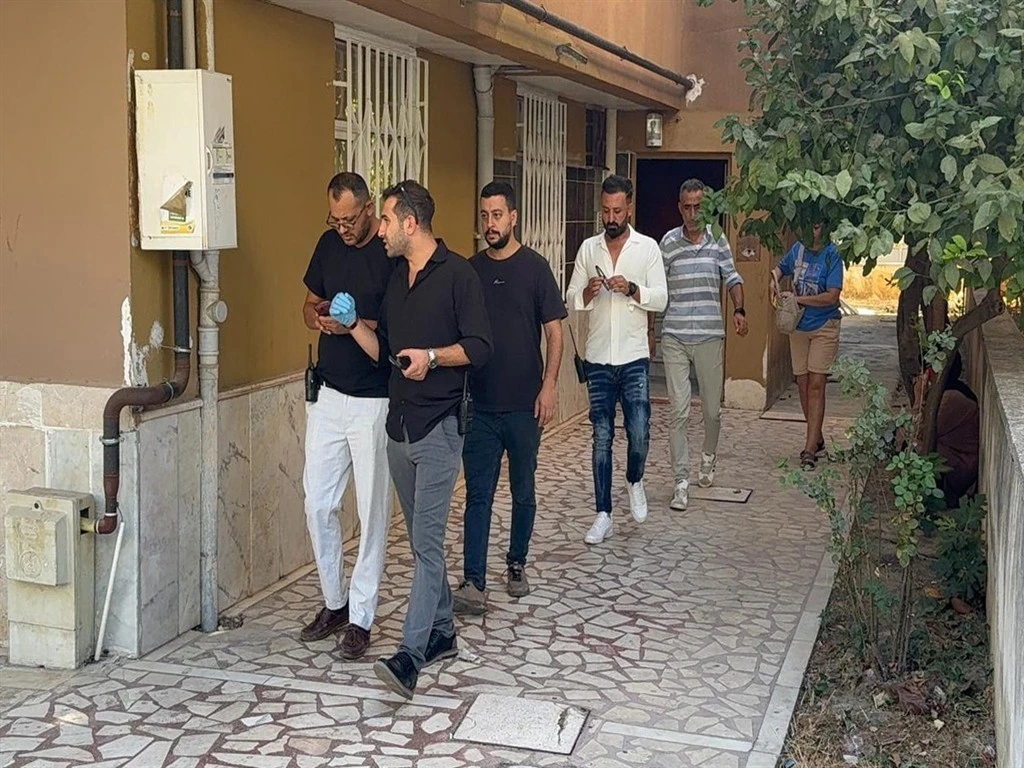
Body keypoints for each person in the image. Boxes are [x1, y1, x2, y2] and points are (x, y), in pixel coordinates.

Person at [330, 180, 493, 700]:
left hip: (440, 428)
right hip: (398, 430)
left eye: (385, 220)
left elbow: (480, 347)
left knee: (424, 544)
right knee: (423, 543)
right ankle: (443, 631)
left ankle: (409, 656)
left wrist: (434, 357)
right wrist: (352, 325)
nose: (379, 229)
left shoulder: (459, 275)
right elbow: (384, 349)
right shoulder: (397, 278)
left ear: (410, 223)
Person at [452, 182, 566, 615]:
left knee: (523, 490)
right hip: (479, 407)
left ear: (513, 217)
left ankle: (516, 563)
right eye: (484, 216)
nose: (490, 224)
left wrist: (549, 386)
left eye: (497, 215)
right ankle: (474, 581)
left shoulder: (535, 268)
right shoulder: (470, 271)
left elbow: (555, 332)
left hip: (524, 405)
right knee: (477, 495)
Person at [299, 172, 394, 660]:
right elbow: (306, 305)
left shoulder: (387, 251)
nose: (343, 229)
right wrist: (319, 319)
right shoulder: (328, 245)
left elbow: (394, 328)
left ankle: (361, 617)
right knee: (318, 503)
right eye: (334, 220)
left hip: (374, 399)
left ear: (368, 208)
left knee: (371, 512)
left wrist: (353, 323)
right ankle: (334, 601)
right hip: (329, 394)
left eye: (350, 220)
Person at [565, 175, 668, 545]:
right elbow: (571, 297)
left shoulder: (647, 248)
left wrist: (633, 289)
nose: (611, 217)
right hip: (597, 358)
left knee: (639, 430)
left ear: (630, 209)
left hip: (634, 356)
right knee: (602, 435)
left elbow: (662, 298)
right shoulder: (588, 248)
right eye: (606, 211)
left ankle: (634, 479)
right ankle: (603, 513)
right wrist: (588, 293)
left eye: (617, 211)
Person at [659, 179, 748, 511]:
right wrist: (651, 327)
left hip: (710, 334)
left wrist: (739, 310)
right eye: (687, 207)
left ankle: (709, 456)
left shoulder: (717, 239)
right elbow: (657, 287)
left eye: (699, 207)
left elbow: (733, 277)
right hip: (675, 336)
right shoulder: (668, 242)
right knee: (678, 411)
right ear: (679, 207)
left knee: (712, 410)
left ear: (706, 207)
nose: (693, 213)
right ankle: (680, 482)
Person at [771, 221, 844, 469]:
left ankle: (809, 448)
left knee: (816, 384)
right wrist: (774, 281)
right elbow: (780, 269)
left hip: (825, 325)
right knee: (802, 383)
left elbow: (832, 296)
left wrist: (798, 299)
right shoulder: (798, 249)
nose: (813, 231)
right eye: (810, 226)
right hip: (799, 325)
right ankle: (817, 436)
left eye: (817, 226)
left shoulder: (833, 254)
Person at [936, 352, 979, 508]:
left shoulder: (952, 398)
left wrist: (919, 393)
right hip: (957, 459)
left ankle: (941, 501)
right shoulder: (951, 392)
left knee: (917, 447)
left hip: (961, 466)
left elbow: (921, 430)